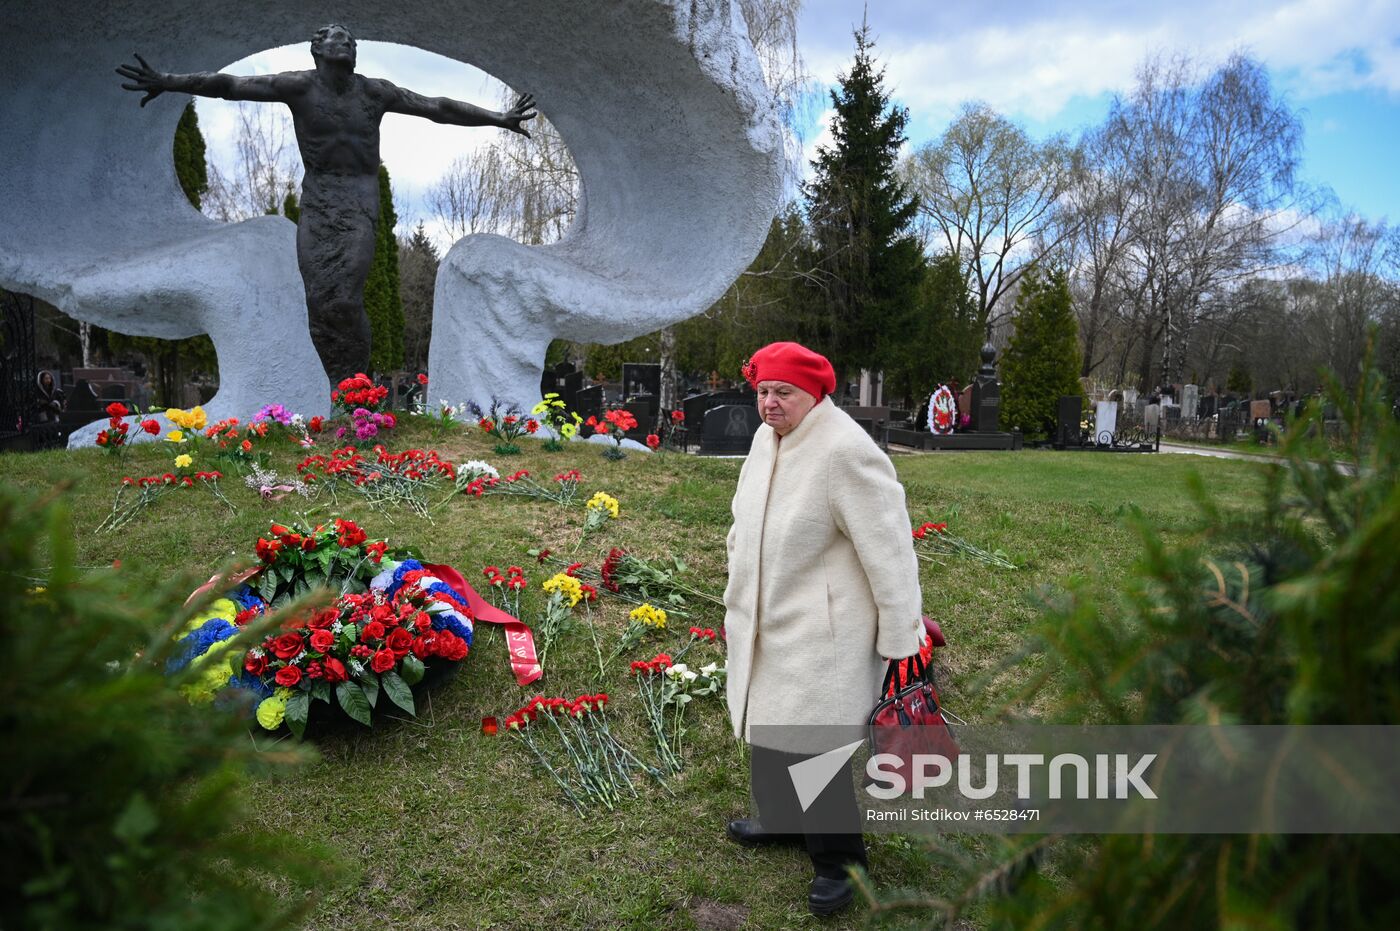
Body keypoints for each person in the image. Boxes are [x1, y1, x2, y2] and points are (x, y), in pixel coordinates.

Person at [116, 24, 536, 383]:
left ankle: (359, 390)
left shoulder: (374, 92)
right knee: (318, 301)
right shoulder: (297, 87)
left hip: (358, 201)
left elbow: (437, 108)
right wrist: (169, 81)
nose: (346, 42)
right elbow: (229, 86)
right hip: (318, 200)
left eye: (351, 39)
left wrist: (499, 117)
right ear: (316, 49)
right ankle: (340, 390)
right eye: (336, 37)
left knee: (344, 300)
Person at [722, 341, 923, 917]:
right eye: (762, 392)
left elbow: (889, 550)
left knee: (813, 751)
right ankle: (786, 822)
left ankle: (842, 864)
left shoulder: (843, 450)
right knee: (770, 732)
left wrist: (899, 635)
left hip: (824, 632)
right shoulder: (768, 440)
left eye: (782, 392)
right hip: (767, 614)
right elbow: (745, 520)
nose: (769, 404)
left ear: (814, 394)